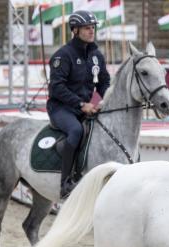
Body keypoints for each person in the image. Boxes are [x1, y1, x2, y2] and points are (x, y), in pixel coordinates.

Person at [47, 10, 110, 199]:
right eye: (86, 28)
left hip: (85, 107)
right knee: (76, 130)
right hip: (61, 108)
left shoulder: (97, 56)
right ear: (75, 30)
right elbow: (56, 88)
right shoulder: (62, 56)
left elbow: (104, 83)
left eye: (93, 28)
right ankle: (65, 182)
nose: (91, 31)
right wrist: (81, 104)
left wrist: (108, 100)